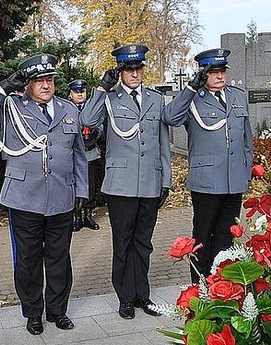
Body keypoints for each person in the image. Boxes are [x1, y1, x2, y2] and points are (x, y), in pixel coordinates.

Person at [0, 53, 88, 335]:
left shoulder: (69, 110)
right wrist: (6, 86)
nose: (46, 85)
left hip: (62, 196)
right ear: (28, 83)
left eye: (49, 79)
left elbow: (78, 155)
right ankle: (33, 312)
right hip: (24, 198)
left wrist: (82, 191)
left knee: (59, 258)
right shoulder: (11, 107)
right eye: (38, 80)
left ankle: (58, 311)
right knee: (28, 260)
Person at [81, 44, 171, 319]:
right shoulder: (109, 98)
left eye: (138, 68)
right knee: (123, 242)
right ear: (120, 72)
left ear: (143, 69)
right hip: (120, 185)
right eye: (128, 69)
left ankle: (143, 295)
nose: (134, 73)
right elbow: (86, 120)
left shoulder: (156, 99)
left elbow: (162, 141)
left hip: (149, 183)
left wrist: (165, 179)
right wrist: (100, 90)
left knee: (143, 243)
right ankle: (125, 298)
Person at [162, 48, 253, 283]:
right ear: (204, 74)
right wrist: (191, 89)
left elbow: (246, 140)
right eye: (214, 72)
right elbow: (170, 117)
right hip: (207, 182)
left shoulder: (237, 96)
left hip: (233, 180)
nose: (220, 76)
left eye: (222, 71)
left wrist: (246, 173)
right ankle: (201, 286)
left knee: (226, 237)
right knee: (203, 236)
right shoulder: (193, 98)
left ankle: (222, 284)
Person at [68, 79, 102, 232]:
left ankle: (88, 216)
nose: (80, 93)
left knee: (90, 186)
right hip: (73, 156)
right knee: (75, 186)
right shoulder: (67, 109)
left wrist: (95, 132)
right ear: (70, 94)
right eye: (76, 91)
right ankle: (76, 218)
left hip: (90, 153)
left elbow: (101, 124)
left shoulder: (92, 108)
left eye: (82, 91)